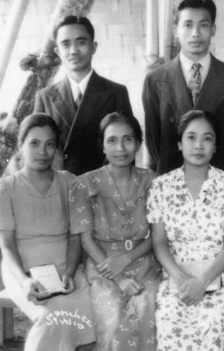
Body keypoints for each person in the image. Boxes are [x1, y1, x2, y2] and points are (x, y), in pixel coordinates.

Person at [0, 113, 95, 351]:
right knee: (53, 315)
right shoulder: (4, 187)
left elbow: (74, 236)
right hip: (23, 268)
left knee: (92, 308)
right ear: (20, 146)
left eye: (50, 144)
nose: (42, 151)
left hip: (65, 265)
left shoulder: (69, 182)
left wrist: (70, 271)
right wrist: (25, 281)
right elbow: (6, 245)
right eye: (34, 143)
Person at [148, 110, 224, 350]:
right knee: (168, 321)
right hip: (176, 274)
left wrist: (203, 281)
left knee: (213, 323)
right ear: (179, 144)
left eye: (207, 138)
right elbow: (159, 242)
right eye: (191, 137)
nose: (198, 145)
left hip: (219, 276)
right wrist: (181, 278)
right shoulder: (160, 187)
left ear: (215, 146)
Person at [69, 112, 160, 350]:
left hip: (144, 260)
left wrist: (128, 258)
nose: (120, 148)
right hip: (103, 265)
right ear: (102, 146)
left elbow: (159, 234)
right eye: (112, 140)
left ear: (138, 144)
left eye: (128, 139)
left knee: (149, 307)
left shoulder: (153, 181)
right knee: (113, 318)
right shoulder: (85, 184)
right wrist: (118, 277)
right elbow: (86, 240)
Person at [142, 0, 224, 175]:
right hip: (171, 182)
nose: (195, 33)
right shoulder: (154, 80)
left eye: (203, 25)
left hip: (219, 183)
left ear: (213, 29)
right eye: (187, 25)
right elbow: (154, 145)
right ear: (175, 30)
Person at [34, 15, 133, 175]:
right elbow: (37, 150)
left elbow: (127, 148)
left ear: (93, 46)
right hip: (60, 188)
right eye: (66, 44)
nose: (73, 51)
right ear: (58, 51)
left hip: (104, 187)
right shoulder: (46, 97)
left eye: (81, 42)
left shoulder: (116, 93)